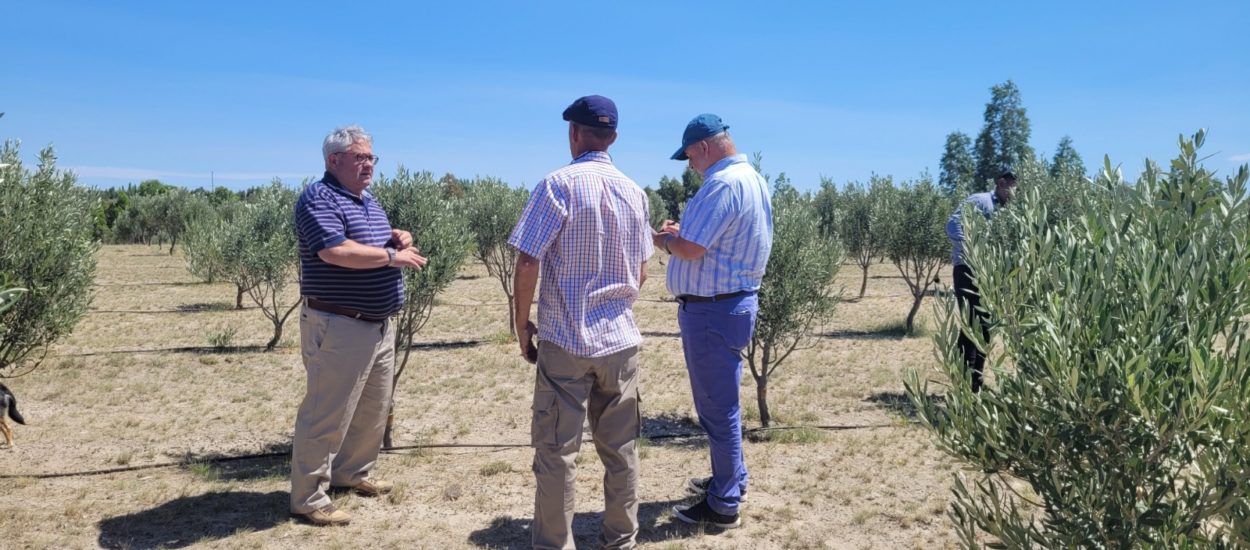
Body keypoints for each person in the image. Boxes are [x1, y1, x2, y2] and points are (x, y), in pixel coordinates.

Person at [507, 95, 654, 550]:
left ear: (574, 133)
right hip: (620, 341)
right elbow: (643, 269)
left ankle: (555, 543)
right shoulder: (635, 192)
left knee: (557, 452)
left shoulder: (558, 185)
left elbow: (528, 259)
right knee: (621, 449)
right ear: (612, 137)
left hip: (566, 340)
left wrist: (521, 322)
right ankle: (621, 539)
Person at [289, 125, 427, 526]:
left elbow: (373, 241)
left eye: (372, 158)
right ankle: (309, 498)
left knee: (371, 408)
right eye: (360, 157)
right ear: (334, 160)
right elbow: (335, 251)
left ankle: (353, 474)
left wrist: (397, 237)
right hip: (338, 323)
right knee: (325, 413)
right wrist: (390, 258)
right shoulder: (319, 198)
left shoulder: (366, 200)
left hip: (376, 323)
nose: (369, 164)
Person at [654, 114, 772, 529]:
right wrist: (681, 235)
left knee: (717, 410)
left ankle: (724, 505)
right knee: (725, 404)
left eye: (688, 156)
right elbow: (712, 241)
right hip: (729, 305)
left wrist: (665, 239)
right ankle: (732, 480)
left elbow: (690, 249)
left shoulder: (721, 184)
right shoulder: (751, 178)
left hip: (711, 310)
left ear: (703, 147)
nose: (688, 165)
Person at [945, 169, 1016, 392]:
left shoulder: (1008, 213)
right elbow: (952, 225)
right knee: (970, 324)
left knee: (985, 328)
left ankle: (975, 382)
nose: (1014, 192)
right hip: (968, 269)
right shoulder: (981, 200)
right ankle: (963, 383)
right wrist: (974, 251)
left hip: (989, 275)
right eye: (1011, 186)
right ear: (1000, 182)